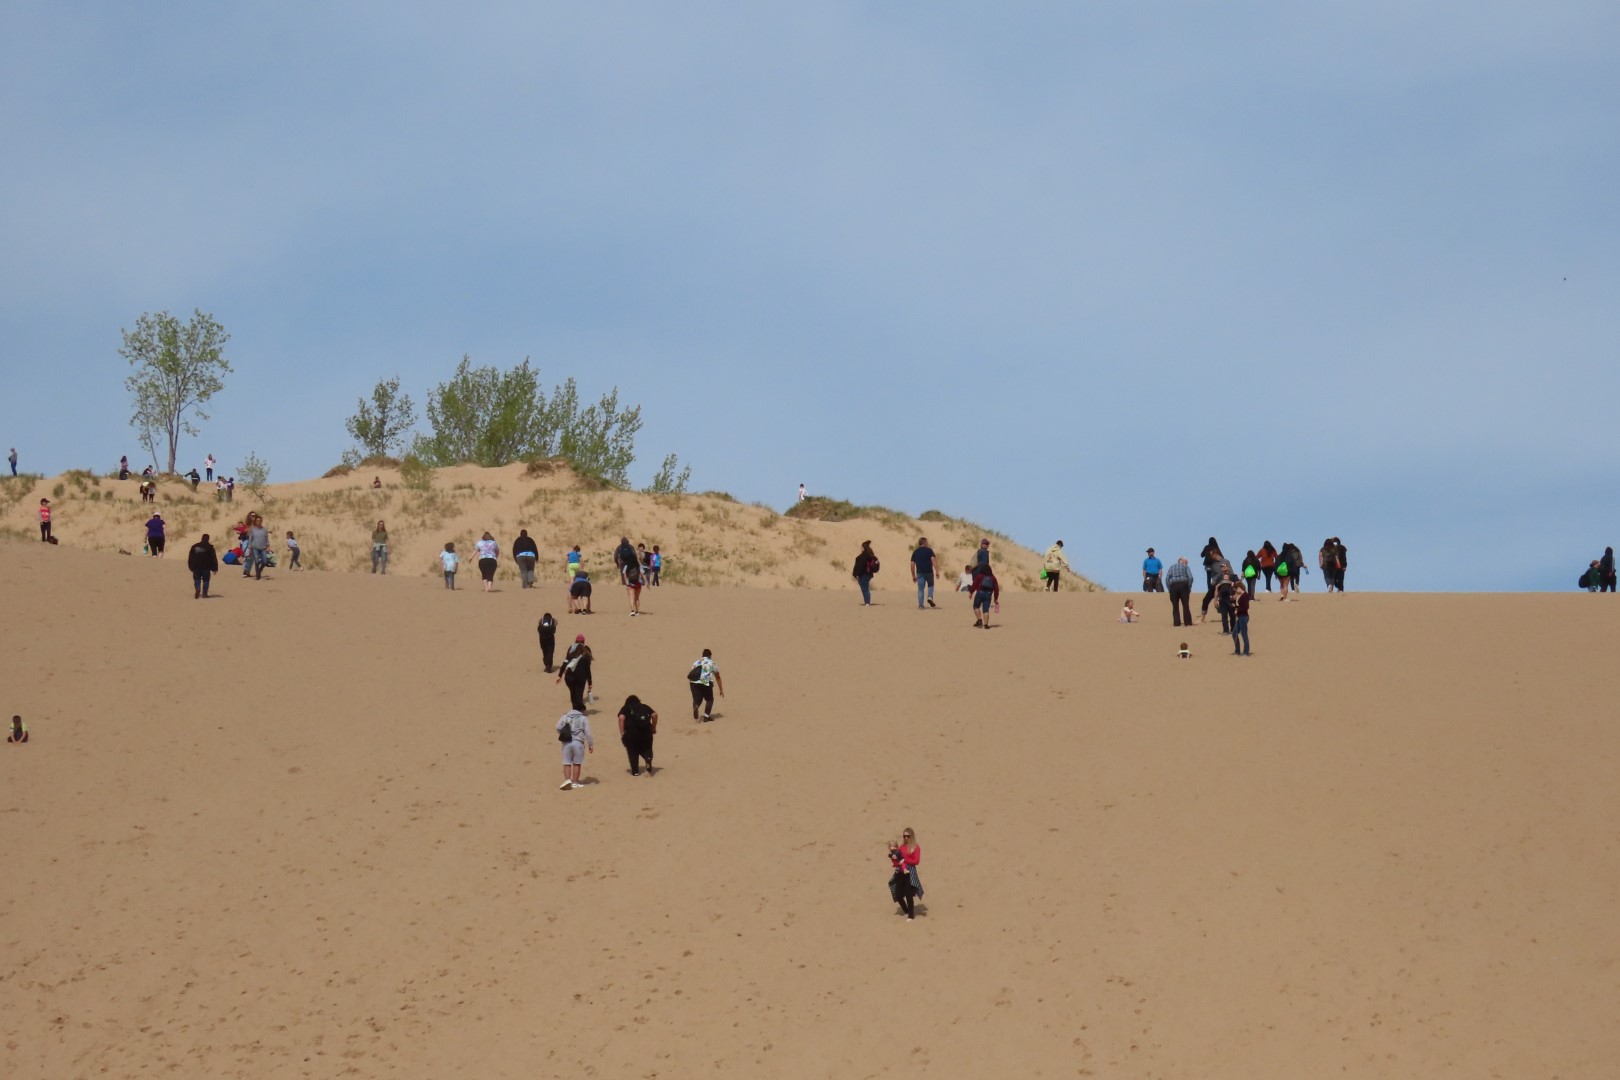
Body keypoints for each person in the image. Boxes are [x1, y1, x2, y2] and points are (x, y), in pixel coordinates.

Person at [617, 694, 657, 777]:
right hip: (646, 731)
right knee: (647, 748)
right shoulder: (644, 706)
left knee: (632, 751)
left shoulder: (626, 708)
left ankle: (635, 772)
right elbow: (654, 715)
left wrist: (622, 733)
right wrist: (653, 728)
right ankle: (648, 758)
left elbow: (621, 718)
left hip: (632, 733)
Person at [555, 707, 593, 790]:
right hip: (578, 742)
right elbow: (588, 733)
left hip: (566, 743)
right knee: (577, 763)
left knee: (567, 762)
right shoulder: (583, 718)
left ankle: (567, 781)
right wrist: (590, 744)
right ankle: (575, 782)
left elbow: (558, 727)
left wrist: (564, 733)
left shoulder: (565, 717)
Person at [888, 829, 922, 920]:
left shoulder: (916, 847)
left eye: (908, 836)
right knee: (898, 894)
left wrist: (905, 860)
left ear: (912, 836)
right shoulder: (901, 847)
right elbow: (896, 857)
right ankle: (906, 910)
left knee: (908, 893)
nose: (906, 838)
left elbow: (916, 861)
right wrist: (893, 858)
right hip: (900, 871)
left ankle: (911, 915)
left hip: (910, 871)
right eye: (904, 836)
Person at [557, 634, 594, 711]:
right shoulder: (586, 649)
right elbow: (587, 669)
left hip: (569, 676)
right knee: (578, 694)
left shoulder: (571, 648)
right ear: (584, 642)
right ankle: (580, 709)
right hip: (580, 677)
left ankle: (575, 709)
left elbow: (565, 662)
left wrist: (560, 675)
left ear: (575, 641)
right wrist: (590, 682)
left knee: (573, 693)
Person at [688, 648, 724, 721]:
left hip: (694, 683)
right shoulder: (711, 663)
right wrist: (721, 689)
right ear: (710, 656)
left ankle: (696, 706)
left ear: (702, 655)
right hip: (705, 682)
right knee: (709, 699)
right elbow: (717, 676)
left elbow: (692, 673)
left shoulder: (696, 662)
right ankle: (706, 717)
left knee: (697, 698)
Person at [188, 533, 219, 599]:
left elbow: (191, 557)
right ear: (208, 539)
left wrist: (190, 566)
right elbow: (213, 558)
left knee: (197, 579)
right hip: (206, 567)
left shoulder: (195, 546)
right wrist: (215, 568)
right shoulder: (210, 547)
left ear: (202, 538)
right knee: (206, 580)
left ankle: (197, 589)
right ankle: (204, 594)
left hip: (196, 566)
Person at [910, 536, 939, 609]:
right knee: (931, 586)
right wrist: (937, 571)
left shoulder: (915, 552)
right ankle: (930, 597)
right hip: (929, 572)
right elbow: (933, 561)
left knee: (920, 589)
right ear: (925, 543)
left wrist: (913, 575)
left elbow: (912, 564)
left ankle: (921, 605)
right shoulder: (929, 550)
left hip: (920, 573)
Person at [1166, 556, 1194, 627]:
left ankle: (1176, 623)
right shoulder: (1185, 567)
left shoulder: (1172, 567)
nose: (1187, 563)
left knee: (1175, 605)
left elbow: (1167, 578)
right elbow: (1190, 578)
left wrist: (1170, 589)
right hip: (1183, 585)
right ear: (1182, 561)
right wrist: (1189, 588)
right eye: (1186, 562)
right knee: (1185, 605)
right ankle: (1187, 623)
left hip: (1173, 586)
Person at [971, 562, 999, 629]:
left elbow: (974, 584)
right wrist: (996, 598)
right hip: (988, 594)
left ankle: (979, 620)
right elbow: (996, 589)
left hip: (980, 593)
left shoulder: (979, 576)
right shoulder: (993, 578)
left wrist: (971, 592)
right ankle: (986, 625)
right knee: (986, 610)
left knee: (976, 606)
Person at [852, 541, 879, 606]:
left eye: (861, 547)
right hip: (869, 574)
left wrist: (856, 574)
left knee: (865, 588)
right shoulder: (870, 554)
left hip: (864, 574)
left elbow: (860, 566)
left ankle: (867, 603)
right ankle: (867, 602)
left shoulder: (863, 556)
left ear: (863, 547)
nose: (860, 548)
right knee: (864, 587)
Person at [1231, 580, 1252, 656]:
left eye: (1236, 589)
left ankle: (1246, 652)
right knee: (1234, 633)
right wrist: (1235, 607)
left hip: (1244, 616)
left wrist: (1237, 610)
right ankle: (1237, 650)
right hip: (1240, 617)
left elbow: (1246, 607)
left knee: (1244, 634)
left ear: (1240, 588)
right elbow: (1239, 605)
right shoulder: (1239, 595)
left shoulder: (1245, 595)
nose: (1235, 591)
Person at [247, 515, 271, 579]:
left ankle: (259, 570)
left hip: (263, 548)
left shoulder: (264, 530)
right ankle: (258, 575)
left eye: (260, 520)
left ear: (261, 521)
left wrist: (268, 546)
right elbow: (250, 539)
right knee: (257, 561)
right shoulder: (253, 529)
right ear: (255, 521)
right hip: (255, 548)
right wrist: (249, 547)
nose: (258, 522)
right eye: (257, 520)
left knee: (265, 561)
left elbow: (266, 539)